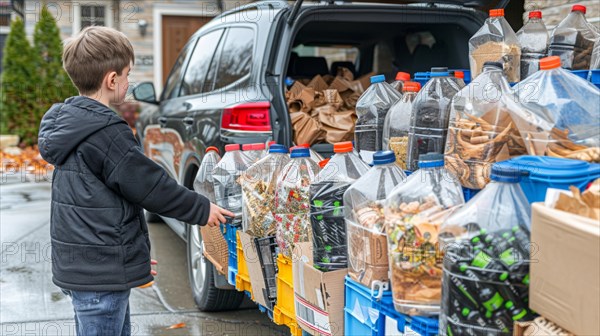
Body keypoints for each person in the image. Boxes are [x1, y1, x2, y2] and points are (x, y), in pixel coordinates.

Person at [38, 26, 233, 335]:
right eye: (127, 75)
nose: (129, 83)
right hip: (101, 277)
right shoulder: (106, 132)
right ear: (112, 80)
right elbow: (150, 185)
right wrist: (200, 208)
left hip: (83, 270)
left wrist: (131, 262)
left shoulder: (67, 126)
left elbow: (96, 209)